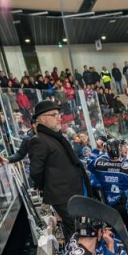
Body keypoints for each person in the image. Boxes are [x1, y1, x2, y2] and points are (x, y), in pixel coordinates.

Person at [27, 100, 91, 240]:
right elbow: (36, 172)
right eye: (54, 115)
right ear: (43, 118)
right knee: (78, 231)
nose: (59, 118)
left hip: (72, 193)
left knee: (77, 230)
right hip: (63, 196)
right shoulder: (38, 140)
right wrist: (51, 187)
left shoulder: (55, 137)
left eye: (59, 114)